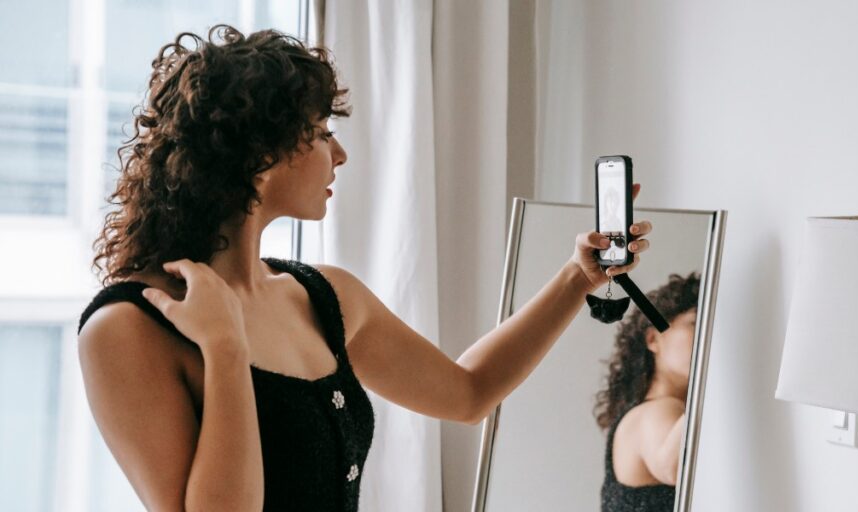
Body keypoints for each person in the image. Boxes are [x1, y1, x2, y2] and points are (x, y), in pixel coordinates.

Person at [75, 25, 653, 511]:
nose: (340, 154)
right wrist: (225, 349)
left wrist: (578, 277)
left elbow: (468, 393)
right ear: (261, 156)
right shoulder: (128, 327)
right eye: (322, 133)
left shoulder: (323, 295)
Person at [594, 273, 701, 512]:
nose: (708, 336)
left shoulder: (650, 411)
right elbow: (675, 467)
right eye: (695, 323)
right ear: (653, 339)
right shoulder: (656, 411)